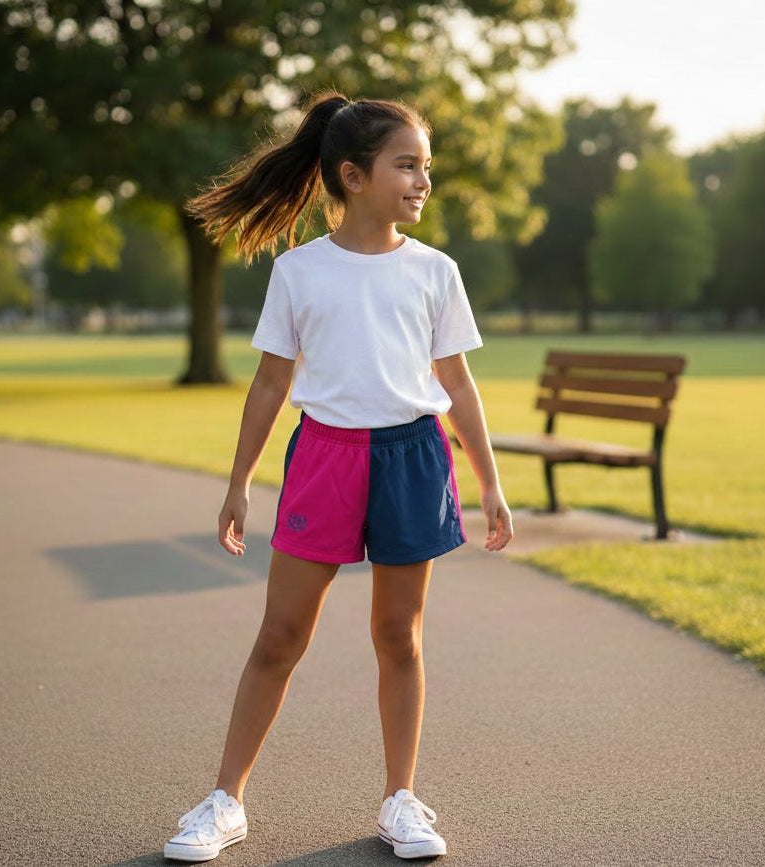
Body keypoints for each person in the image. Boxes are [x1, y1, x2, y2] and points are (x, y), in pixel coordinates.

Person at [164, 90, 513, 863]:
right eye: (407, 165)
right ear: (353, 176)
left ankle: (400, 801)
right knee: (279, 635)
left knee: (398, 635)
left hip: (413, 457)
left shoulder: (434, 270)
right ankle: (224, 802)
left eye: (427, 166)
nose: (423, 180)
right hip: (324, 457)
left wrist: (489, 481)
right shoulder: (298, 271)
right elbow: (267, 385)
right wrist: (237, 483)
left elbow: (456, 383)